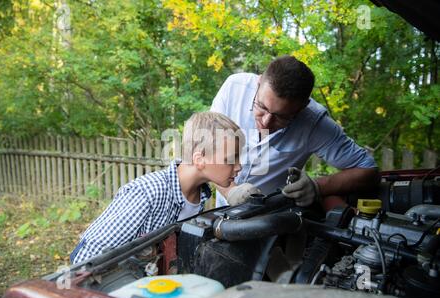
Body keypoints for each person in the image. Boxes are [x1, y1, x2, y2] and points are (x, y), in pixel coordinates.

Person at [70, 112, 243, 264]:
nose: (238, 167)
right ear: (199, 159)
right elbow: (88, 258)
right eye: (230, 159)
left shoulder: (200, 195)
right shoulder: (147, 193)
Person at [210, 55, 379, 208]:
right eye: (261, 106)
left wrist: (317, 186)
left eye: (281, 117)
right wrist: (230, 191)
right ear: (259, 82)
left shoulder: (314, 123)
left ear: (302, 107)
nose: (266, 121)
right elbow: (205, 152)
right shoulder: (233, 89)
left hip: (272, 222)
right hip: (219, 213)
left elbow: (368, 171)